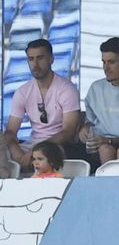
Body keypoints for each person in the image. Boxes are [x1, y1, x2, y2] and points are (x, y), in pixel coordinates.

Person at [4, 38, 83, 171]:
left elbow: (68, 132)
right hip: (32, 143)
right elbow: (11, 131)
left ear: (51, 59)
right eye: (31, 59)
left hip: (57, 144)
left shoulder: (67, 89)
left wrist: (36, 151)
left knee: (43, 155)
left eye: (40, 58)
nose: (35, 64)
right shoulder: (22, 92)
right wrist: (16, 151)